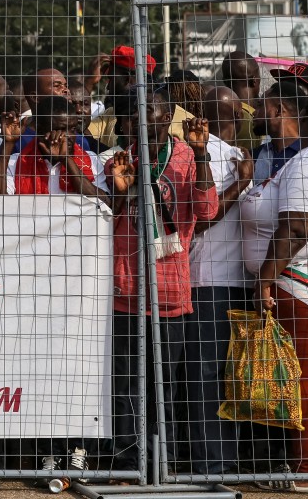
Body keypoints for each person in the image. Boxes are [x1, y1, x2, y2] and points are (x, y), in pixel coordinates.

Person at [240, 80, 308, 493]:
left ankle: (307, 470)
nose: (257, 113)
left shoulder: (306, 162)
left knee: (303, 377)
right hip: (298, 281)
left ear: (281, 109)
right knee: (297, 376)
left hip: (299, 282)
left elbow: (299, 225)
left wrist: (266, 276)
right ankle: (301, 466)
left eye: (263, 106)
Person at [107, 87, 217, 476]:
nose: (142, 118)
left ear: (165, 115)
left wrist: (202, 153)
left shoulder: (187, 156)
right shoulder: (120, 157)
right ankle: (127, 463)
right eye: (136, 111)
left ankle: (160, 464)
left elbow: (205, 210)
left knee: (163, 386)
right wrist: (120, 191)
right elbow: (109, 213)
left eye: (150, 111)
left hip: (170, 290)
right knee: (126, 387)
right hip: (128, 289)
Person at [183, 85, 252, 476]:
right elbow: (206, 215)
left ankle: (224, 459)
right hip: (206, 279)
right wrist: (240, 183)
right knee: (208, 373)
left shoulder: (240, 154)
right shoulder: (203, 152)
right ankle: (213, 462)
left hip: (235, 280)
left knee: (228, 374)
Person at [87, 45, 156, 151]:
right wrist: (89, 83)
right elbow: (81, 136)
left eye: (111, 79)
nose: (108, 87)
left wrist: (89, 83)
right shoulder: (110, 114)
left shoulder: (173, 119)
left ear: (127, 79)